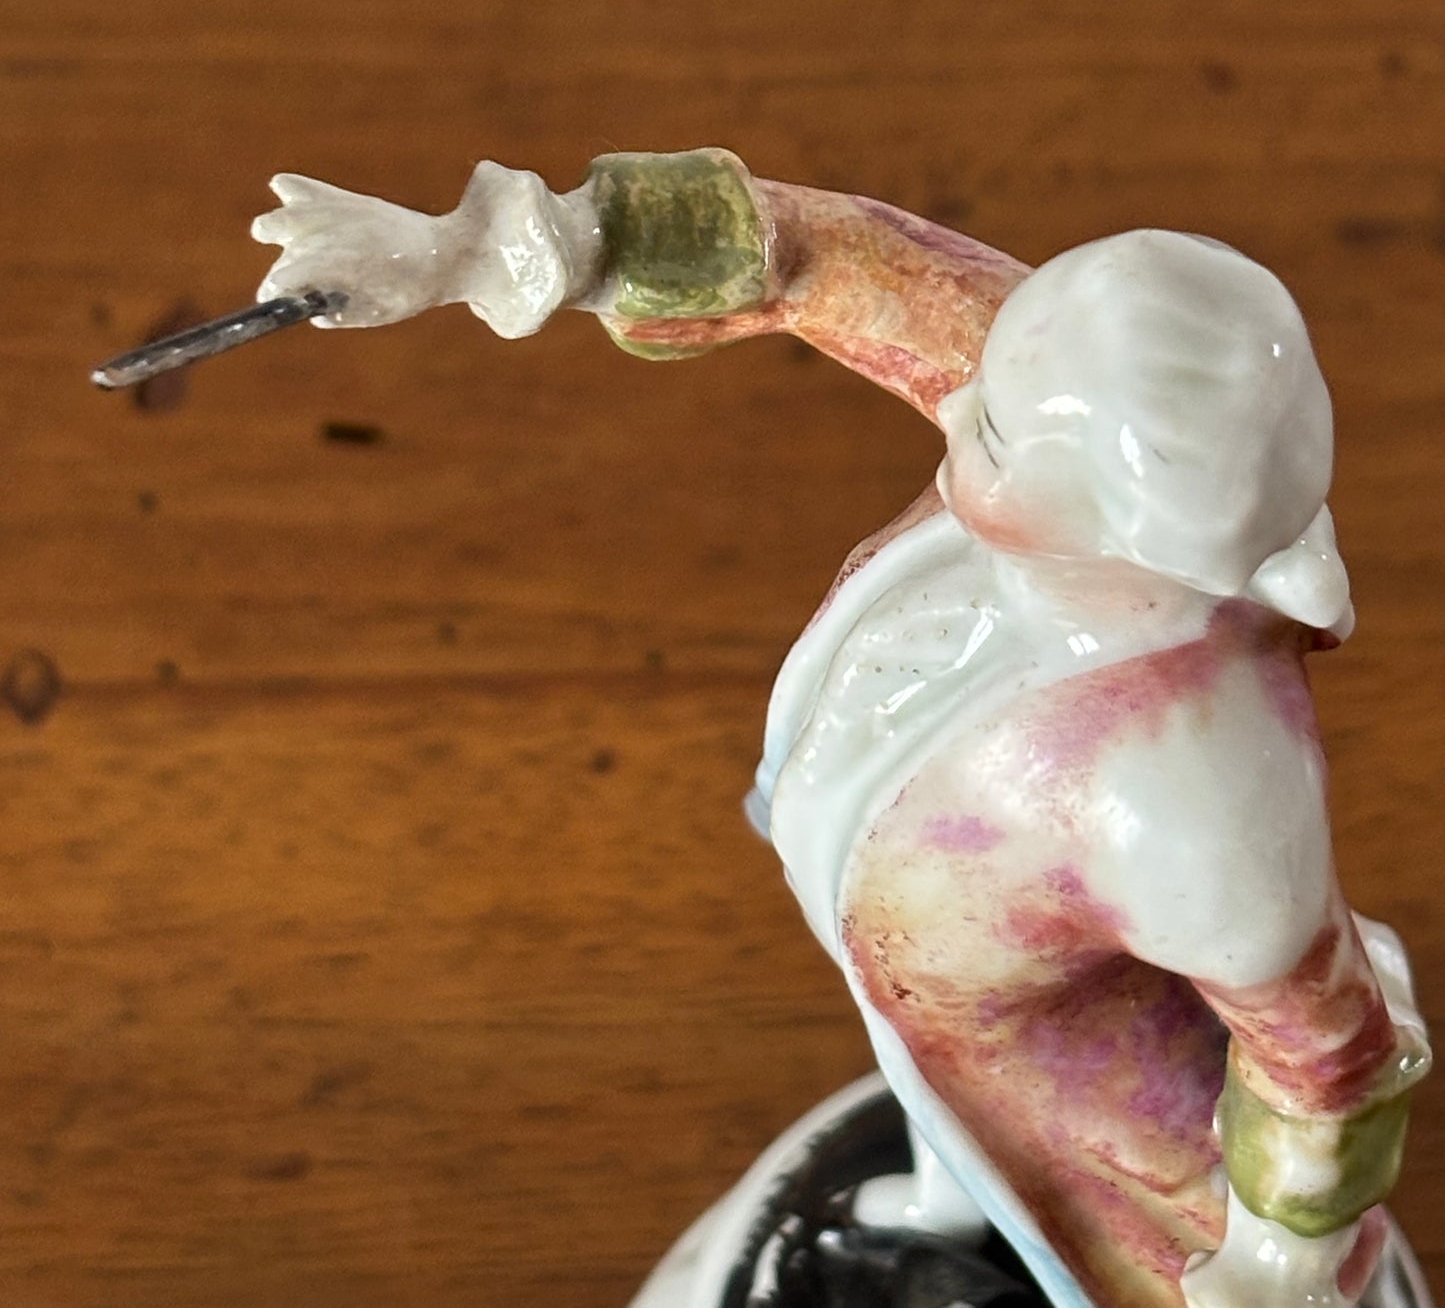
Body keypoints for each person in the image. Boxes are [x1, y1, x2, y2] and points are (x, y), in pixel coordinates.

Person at [252, 148, 1430, 1308]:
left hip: (1069, 1080)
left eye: (995, 436)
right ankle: (938, 1197)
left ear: (1130, 532)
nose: (955, 395)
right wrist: (469, 249)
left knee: (1100, 1247)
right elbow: (815, 253)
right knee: (928, 1077)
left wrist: (1276, 1258)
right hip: (930, 980)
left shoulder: (1194, 796)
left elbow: (1327, 1050)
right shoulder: (1051, 383)